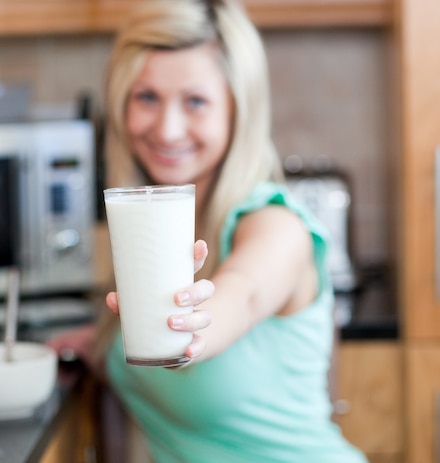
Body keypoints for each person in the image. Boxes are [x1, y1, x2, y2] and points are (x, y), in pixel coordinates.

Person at [48, 0, 368, 461]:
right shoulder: (153, 225)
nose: (168, 128)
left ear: (239, 110)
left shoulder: (276, 226)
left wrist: (194, 326)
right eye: (147, 97)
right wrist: (101, 343)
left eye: (195, 101)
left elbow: (243, 294)